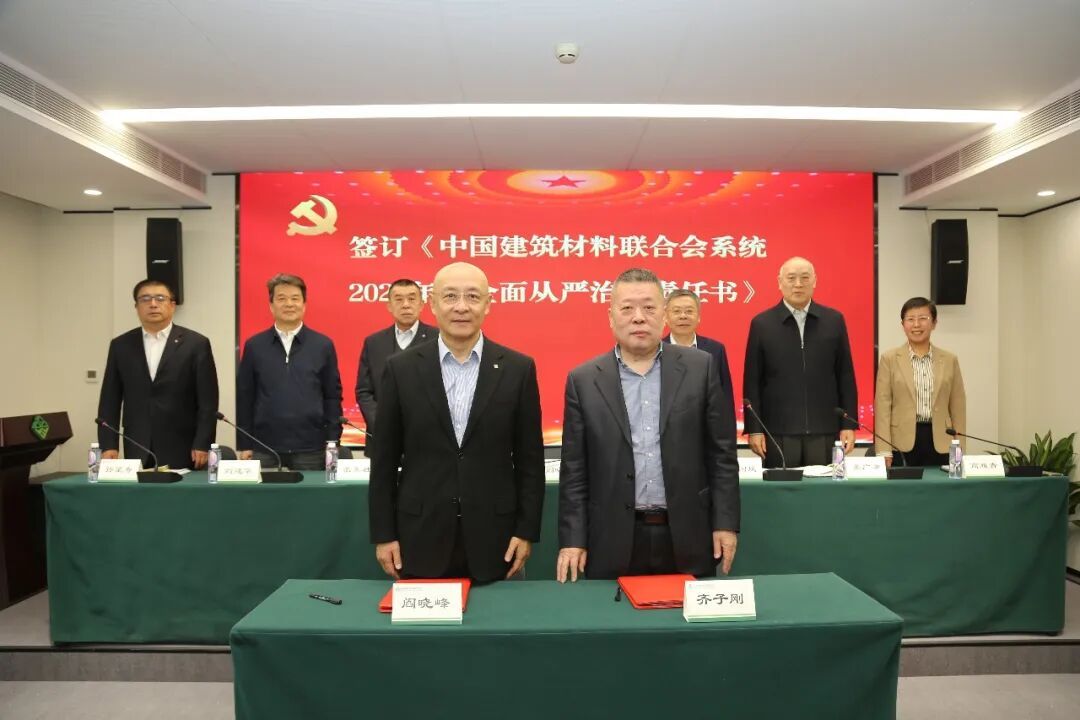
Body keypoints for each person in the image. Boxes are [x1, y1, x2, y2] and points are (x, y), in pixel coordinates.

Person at [557, 268, 739, 582]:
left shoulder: (700, 368)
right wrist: (573, 538)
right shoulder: (583, 380)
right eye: (627, 308)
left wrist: (725, 523)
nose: (639, 317)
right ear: (611, 316)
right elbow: (574, 470)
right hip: (611, 536)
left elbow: (721, 455)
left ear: (664, 314)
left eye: (649, 308)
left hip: (688, 532)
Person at [368, 262, 544, 582]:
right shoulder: (400, 369)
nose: (462, 307)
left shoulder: (518, 369)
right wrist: (384, 534)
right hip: (419, 534)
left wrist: (526, 531)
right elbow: (384, 462)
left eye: (473, 297)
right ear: (433, 303)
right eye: (450, 296)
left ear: (488, 304)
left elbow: (530, 461)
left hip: (497, 538)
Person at [743, 256, 857, 467]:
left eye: (805, 278)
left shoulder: (834, 320)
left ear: (814, 281)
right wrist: (755, 429)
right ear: (779, 282)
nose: (798, 284)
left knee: (824, 486)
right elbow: (752, 381)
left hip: (826, 429)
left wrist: (848, 424)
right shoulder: (762, 323)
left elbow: (845, 374)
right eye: (791, 278)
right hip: (777, 431)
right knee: (781, 486)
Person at [97, 279, 218, 470]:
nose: (153, 304)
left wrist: (203, 443)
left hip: (183, 445)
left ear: (172, 305)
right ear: (136, 307)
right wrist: (108, 445)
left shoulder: (196, 344)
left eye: (160, 298)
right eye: (145, 299)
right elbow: (109, 399)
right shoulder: (121, 345)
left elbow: (208, 401)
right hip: (137, 443)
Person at [236, 273, 343, 470]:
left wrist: (332, 441)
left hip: (311, 448)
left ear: (304, 305)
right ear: (271, 305)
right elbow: (245, 397)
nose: (289, 304)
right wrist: (245, 443)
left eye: (295, 298)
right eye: (281, 298)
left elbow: (332, 397)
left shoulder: (323, 345)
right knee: (262, 492)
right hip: (263, 447)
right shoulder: (254, 346)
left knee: (311, 492)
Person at [874, 297, 966, 466]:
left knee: (940, 483)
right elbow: (882, 407)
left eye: (923, 318)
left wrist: (960, 448)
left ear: (934, 323)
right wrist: (884, 449)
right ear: (903, 324)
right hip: (900, 442)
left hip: (941, 441)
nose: (916, 324)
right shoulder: (889, 359)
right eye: (910, 319)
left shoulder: (949, 360)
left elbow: (957, 407)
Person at [354, 278, 435, 450]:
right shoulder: (374, 342)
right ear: (389, 306)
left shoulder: (438, 340)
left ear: (421, 304)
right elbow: (364, 392)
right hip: (382, 440)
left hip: (428, 440)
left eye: (412, 299)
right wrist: (382, 425)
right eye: (399, 299)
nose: (406, 305)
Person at [662, 287, 735, 409]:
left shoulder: (715, 349)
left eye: (689, 311)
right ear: (666, 317)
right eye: (676, 311)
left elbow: (725, 395)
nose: (683, 316)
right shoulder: (655, 350)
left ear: (698, 317)